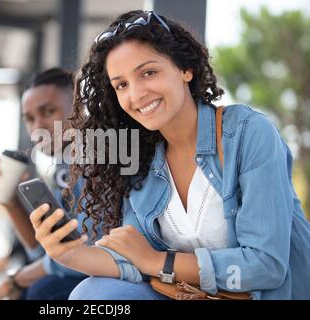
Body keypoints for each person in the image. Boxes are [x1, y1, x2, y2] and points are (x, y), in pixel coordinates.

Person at [29, 10, 310, 300]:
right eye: (121, 85)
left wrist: (157, 261)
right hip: (188, 294)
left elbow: (266, 266)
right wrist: (68, 253)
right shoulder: (141, 158)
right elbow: (130, 259)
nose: (136, 95)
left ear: (185, 69)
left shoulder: (248, 134)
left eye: (148, 72)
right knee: (90, 296)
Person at [0, 68, 88, 300]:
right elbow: (43, 255)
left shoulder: (99, 159)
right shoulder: (63, 165)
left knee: (42, 290)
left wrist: (17, 280)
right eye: (29, 119)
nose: (38, 126)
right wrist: (10, 203)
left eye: (49, 111)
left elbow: (81, 255)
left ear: (80, 108)